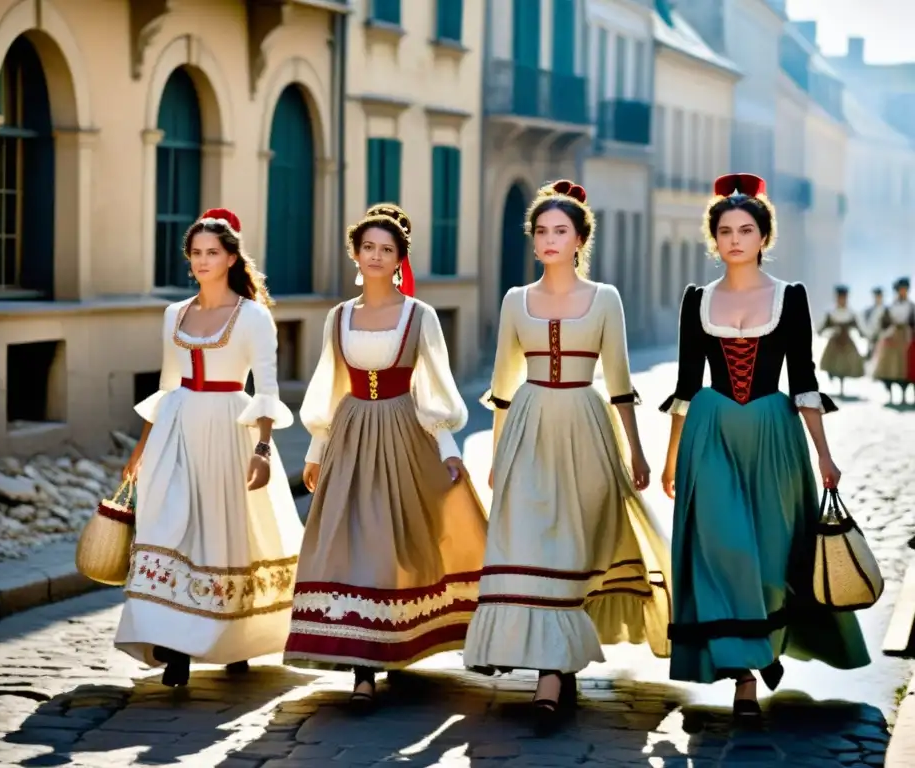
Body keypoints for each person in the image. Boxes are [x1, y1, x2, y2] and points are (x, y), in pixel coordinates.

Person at [463, 180, 672, 734]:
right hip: (528, 428)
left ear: (580, 239)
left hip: (587, 427)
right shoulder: (514, 300)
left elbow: (622, 381)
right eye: (541, 231)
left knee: (573, 550)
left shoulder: (606, 298)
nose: (550, 239)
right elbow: (503, 385)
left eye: (561, 231)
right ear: (532, 243)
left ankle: (557, 666)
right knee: (528, 543)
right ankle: (550, 675)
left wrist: (637, 453)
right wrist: (498, 451)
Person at [659, 174, 870, 723]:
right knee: (725, 547)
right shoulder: (697, 301)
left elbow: (803, 381)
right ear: (714, 239)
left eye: (745, 229)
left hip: (775, 436)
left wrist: (824, 455)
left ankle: (763, 644)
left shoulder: (790, 298)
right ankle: (744, 675)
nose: (734, 239)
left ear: (762, 237)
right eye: (725, 230)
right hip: (711, 434)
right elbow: (685, 387)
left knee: (773, 561)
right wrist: (668, 457)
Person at [284, 203, 488, 710]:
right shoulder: (338, 317)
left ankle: (398, 644)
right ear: (355, 253)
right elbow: (328, 387)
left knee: (401, 541)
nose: (376, 256)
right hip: (351, 435)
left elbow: (434, 388)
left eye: (386, 249)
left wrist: (447, 448)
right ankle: (362, 667)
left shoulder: (420, 316)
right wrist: (315, 450)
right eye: (368, 247)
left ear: (400, 258)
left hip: (404, 432)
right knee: (352, 544)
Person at [114, 209, 303, 687]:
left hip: (229, 429)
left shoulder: (253, 316)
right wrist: (140, 449)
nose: (202, 261)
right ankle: (174, 647)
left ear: (230, 258)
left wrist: (262, 449)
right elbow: (165, 384)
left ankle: (232, 638)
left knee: (223, 535)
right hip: (176, 428)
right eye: (195, 253)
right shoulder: (173, 314)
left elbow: (267, 390)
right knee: (167, 526)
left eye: (211, 253)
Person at [871, 277, 915, 405]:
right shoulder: (890, 307)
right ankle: (890, 394)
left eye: (905, 290)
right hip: (892, 337)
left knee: (906, 367)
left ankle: (904, 395)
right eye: (901, 290)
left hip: (907, 337)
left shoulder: (911, 306)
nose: (903, 292)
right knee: (889, 366)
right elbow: (883, 323)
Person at [818, 285, 866, 394]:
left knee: (846, 363)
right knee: (832, 362)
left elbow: (856, 326)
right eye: (840, 298)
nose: (842, 300)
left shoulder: (850, 313)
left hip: (846, 340)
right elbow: (825, 325)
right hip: (835, 340)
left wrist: (862, 334)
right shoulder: (832, 312)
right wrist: (821, 331)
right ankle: (832, 376)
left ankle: (842, 386)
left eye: (844, 298)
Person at [862, 287, 885, 360]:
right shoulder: (868, 312)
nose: (878, 298)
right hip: (871, 340)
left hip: (882, 340)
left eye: (879, 296)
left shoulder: (886, 311)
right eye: (876, 296)